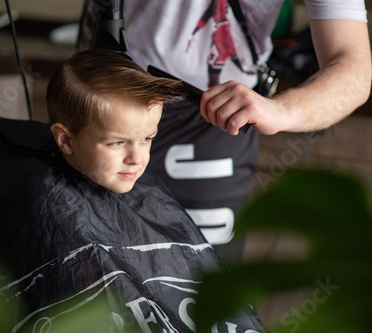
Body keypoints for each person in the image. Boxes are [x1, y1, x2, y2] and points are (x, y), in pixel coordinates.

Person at [0, 50, 266, 332]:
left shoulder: (140, 188)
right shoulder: (45, 206)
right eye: (116, 142)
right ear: (65, 140)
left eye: (147, 138)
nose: (137, 158)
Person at [78, 0, 372, 264]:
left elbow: (353, 69)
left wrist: (281, 110)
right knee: (86, 264)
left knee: (195, 280)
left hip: (212, 118)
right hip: (107, 102)